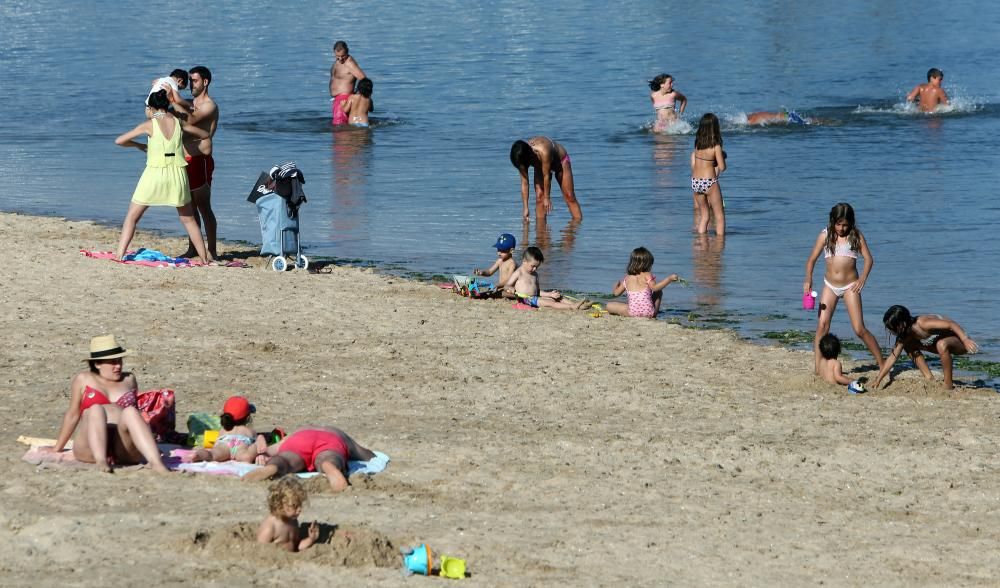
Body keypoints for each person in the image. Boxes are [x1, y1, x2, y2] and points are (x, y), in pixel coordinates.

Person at [114, 89, 213, 264]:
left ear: (151, 108)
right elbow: (205, 135)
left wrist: (138, 146)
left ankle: (119, 255)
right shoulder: (178, 122)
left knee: (132, 217)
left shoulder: (150, 124)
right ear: (166, 105)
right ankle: (205, 258)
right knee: (189, 220)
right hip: (177, 174)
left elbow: (120, 141)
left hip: (154, 174)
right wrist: (184, 142)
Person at [44, 336, 169, 473]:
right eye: (112, 362)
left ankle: (156, 463)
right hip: (90, 445)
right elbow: (73, 414)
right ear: (97, 364)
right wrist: (58, 447)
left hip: (122, 446)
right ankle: (101, 461)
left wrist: (151, 444)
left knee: (131, 412)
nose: (118, 366)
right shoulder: (84, 379)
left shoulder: (129, 379)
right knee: (96, 409)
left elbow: (137, 420)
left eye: (120, 361)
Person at [804, 203, 883, 374]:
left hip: (850, 287)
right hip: (829, 286)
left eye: (845, 224)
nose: (841, 228)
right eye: (838, 224)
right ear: (833, 221)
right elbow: (811, 260)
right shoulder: (825, 236)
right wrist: (808, 280)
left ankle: (882, 363)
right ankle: (818, 368)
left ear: (851, 223)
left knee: (859, 329)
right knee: (822, 326)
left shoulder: (856, 236)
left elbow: (869, 259)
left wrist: (862, 279)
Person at [171, 65, 219, 258]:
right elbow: (164, 116)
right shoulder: (187, 102)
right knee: (189, 207)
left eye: (195, 80)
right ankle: (193, 248)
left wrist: (173, 98)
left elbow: (191, 119)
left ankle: (213, 251)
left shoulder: (209, 105)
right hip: (184, 159)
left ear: (205, 82)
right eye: (189, 80)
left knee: (204, 206)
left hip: (200, 160)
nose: (191, 84)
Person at [873, 305, 979, 390]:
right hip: (938, 344)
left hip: (959, 341)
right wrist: (878, 380)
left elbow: (951, 324)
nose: (890, 331)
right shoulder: (905, 335)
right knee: (908, 344)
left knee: (941, 344)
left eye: (891, 328)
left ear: (902, 325)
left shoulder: (923, 323)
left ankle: (948, 384)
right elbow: (893, 357)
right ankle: (929, 377)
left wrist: (965, 340)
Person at [243, 426, 376, 493]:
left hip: (300, 439)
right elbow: (366, 455)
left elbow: (270, 450)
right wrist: (371, 455)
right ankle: (329, 465)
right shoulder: (338, 433)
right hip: (331, 439)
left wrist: (264, 454)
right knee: (329, 457)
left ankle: (273, 467)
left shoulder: (299, 431)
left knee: (285, 459)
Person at [510, 137, 583, 222]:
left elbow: (547, 176)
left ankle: (577, 226)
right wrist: (525, 208)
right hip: (540, 166)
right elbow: (524, 183)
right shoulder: (520, 158)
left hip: (560, 162)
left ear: (529, 156)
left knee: (569, 196)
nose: (523, 168)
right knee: (539, 197)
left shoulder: (543, 151)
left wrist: (547, 198)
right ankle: (541, 232)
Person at [502, 246, 590, 310]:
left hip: (535, 298)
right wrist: (511, 288)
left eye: (537, 267)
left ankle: (578, 305)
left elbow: (537, 291)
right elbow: (506, 286)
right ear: (524, 261)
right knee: (550, 303)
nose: (535, 269)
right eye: (533, 266)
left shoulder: (535, 274)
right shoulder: (519, 272)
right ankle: (572, 307)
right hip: (525, 300)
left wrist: (550, 294)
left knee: (557, 298)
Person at [605, 247, 679, 318]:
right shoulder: (647, 275)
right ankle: (654, 313)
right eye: (650, 264)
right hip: (649, 313)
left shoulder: (627, 278)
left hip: (632, 313)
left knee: (609, 305)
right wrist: (669, 279)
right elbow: (655, 288)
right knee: (658, 292)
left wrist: (615, 286)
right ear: (646, 264)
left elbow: (616, 293)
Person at [191, 396, 268, 464]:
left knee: (212, 454)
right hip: (242, 443)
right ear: (247, 417)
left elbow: (215, 440)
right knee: (246, 456)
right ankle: (260, 439)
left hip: (225, 442)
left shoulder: (223, 429)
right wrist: (258, 441)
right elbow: (253, 441)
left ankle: (198, 455)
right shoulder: (249, 430)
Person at [256, 477, 319, 552]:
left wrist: (311, 539)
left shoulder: (293, 522)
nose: (299, 509)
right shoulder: (270, 527)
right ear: (280, 505)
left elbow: (296, 547)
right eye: (295, 506)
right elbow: (260, 551)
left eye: (300, 505)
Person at [690, 113, 726, 236]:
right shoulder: (716, 146)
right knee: (720, 216)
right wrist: (722, 157)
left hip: (695, 182)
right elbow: (722, 167)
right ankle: (720, 244)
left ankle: (701, 242)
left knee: (704, 216)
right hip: (709, 182)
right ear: (715, 127)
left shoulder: (697, 144)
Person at [330, 41, 366, 126]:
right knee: (340, 128)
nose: (340, 59)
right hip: (338, 100)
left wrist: (356, 97)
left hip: (344, 100)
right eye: (337, 56)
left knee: (340, 130)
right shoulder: (337, 62)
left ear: (347, 51)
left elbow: (364, 80)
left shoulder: (349, 63)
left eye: (343, 56)